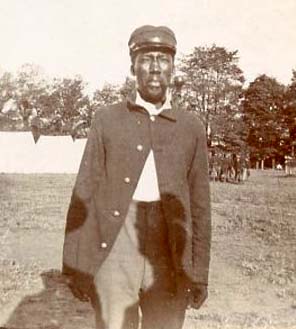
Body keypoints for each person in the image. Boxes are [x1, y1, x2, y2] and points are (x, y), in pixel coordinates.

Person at [62, 25, 211, 329]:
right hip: (117, 245)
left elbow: (200, 205)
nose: (155, 68)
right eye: (145, 58)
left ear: (173, 67)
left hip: (170, 252)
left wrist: (199, 272)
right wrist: (74, 264)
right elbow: (84, 190)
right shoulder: (106, 119)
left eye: (163, 59)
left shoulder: (191, 127)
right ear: (133, 66)